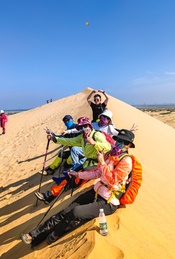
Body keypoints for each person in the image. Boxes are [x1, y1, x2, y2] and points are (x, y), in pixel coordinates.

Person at [20, 129, 135, 246]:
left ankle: (56, 233)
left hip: (108, 201)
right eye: (118, 140)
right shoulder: (110, 155)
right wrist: (78, 174)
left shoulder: (126, 161)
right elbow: (96, 173)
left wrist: (102, 162)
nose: (120, 143)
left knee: (75, 212)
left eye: (124, 142)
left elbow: (113, 180)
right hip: (95, 191)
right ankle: (34, 235)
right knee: (65, 211)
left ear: (129, 145)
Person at [34, 116, 111, 204]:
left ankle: (49, 196)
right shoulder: (82, 138)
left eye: (85, 126)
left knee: (73, 178)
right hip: (88, 163)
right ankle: (50, 195)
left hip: (98, 164)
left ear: (89, 126)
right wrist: (54, 139)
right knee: (71, 175)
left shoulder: (96, 135)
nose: (83, 129)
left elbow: (107, 147)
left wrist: (94, 143)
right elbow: (69, 141)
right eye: (81, 127)